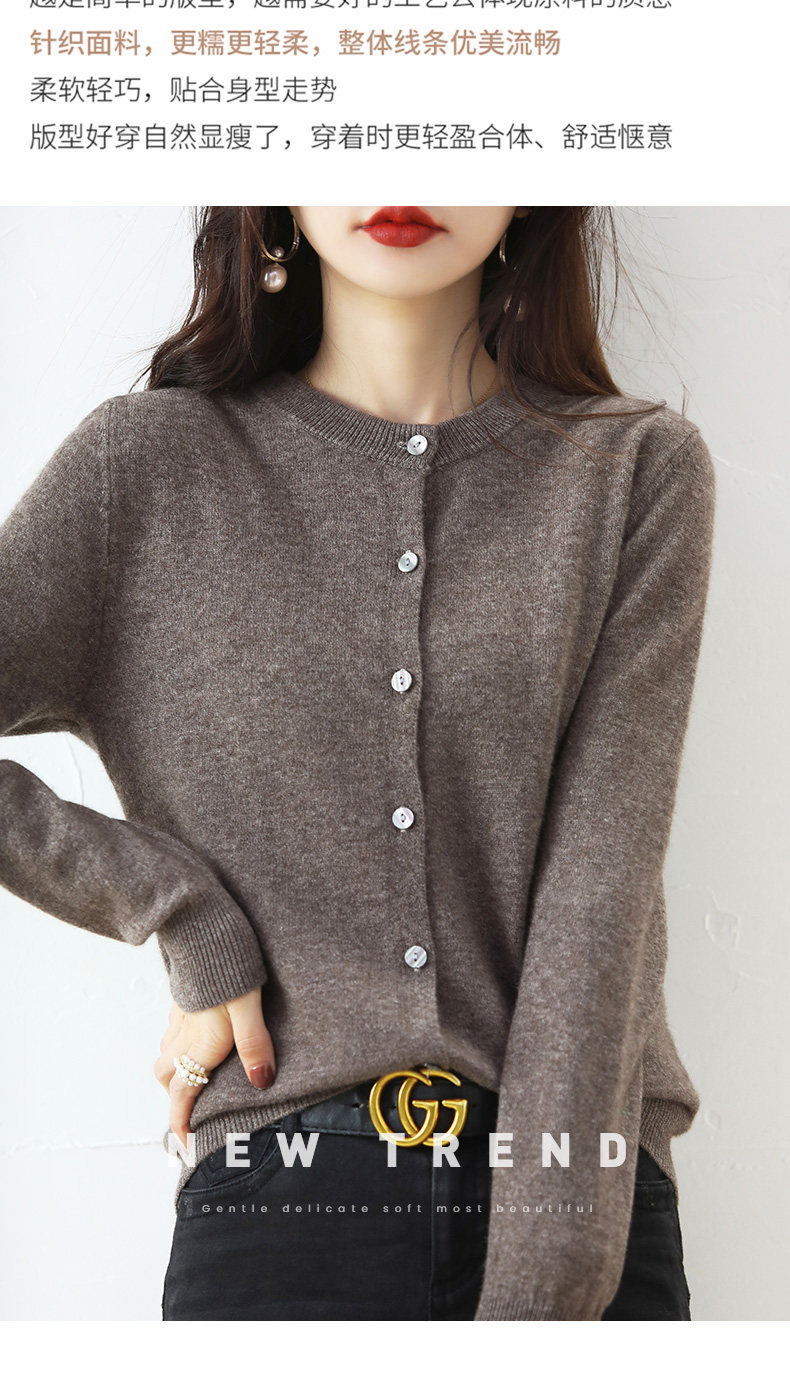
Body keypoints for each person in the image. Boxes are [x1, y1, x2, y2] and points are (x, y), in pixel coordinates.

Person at [0, 205, 715, 1321]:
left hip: (584, 1199)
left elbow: (600, 901)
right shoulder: (142, 469)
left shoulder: (633, 472)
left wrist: (543, 1301)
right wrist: (174, 908)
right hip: (286, 1214)